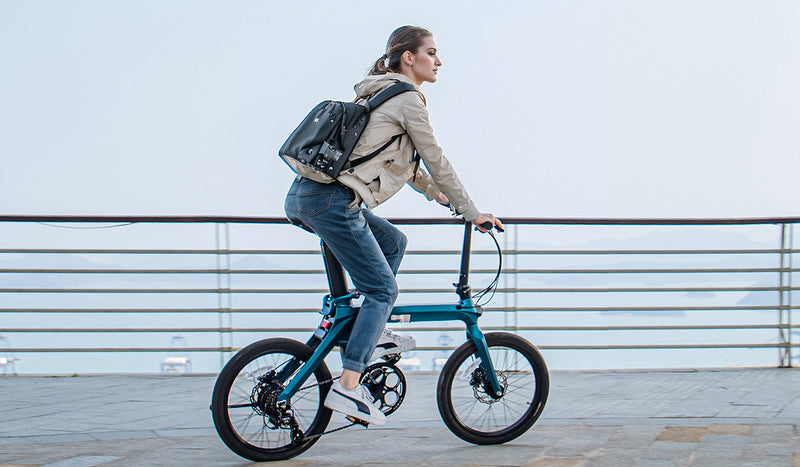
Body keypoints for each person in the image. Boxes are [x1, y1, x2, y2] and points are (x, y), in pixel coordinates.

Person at [284, 25, 504, 426]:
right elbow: (434, 156)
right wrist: (471, 211)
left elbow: (387, 155)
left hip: (307, 197)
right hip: (331, 203)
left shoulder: (380, 91)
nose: (439, 62)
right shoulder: (407, 97)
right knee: (382, 289)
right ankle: (348, 386)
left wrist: (433, 193)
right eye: (432, 53)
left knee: (393, 242)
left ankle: (369, 330)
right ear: (410, 58)